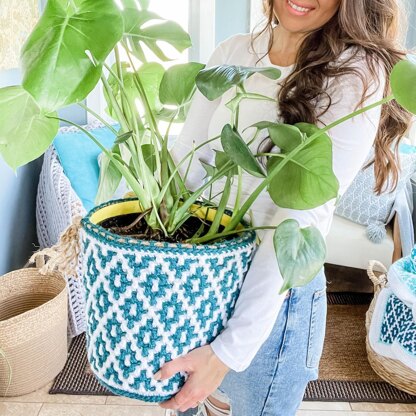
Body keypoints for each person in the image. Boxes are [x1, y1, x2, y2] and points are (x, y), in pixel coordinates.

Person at [156, 0, 412, 415]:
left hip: (276, 294)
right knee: (187, 405)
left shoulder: (356, 75)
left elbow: (300, 215)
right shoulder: (233, 52)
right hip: (205, 271)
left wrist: (228, 350)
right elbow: (188, 162)